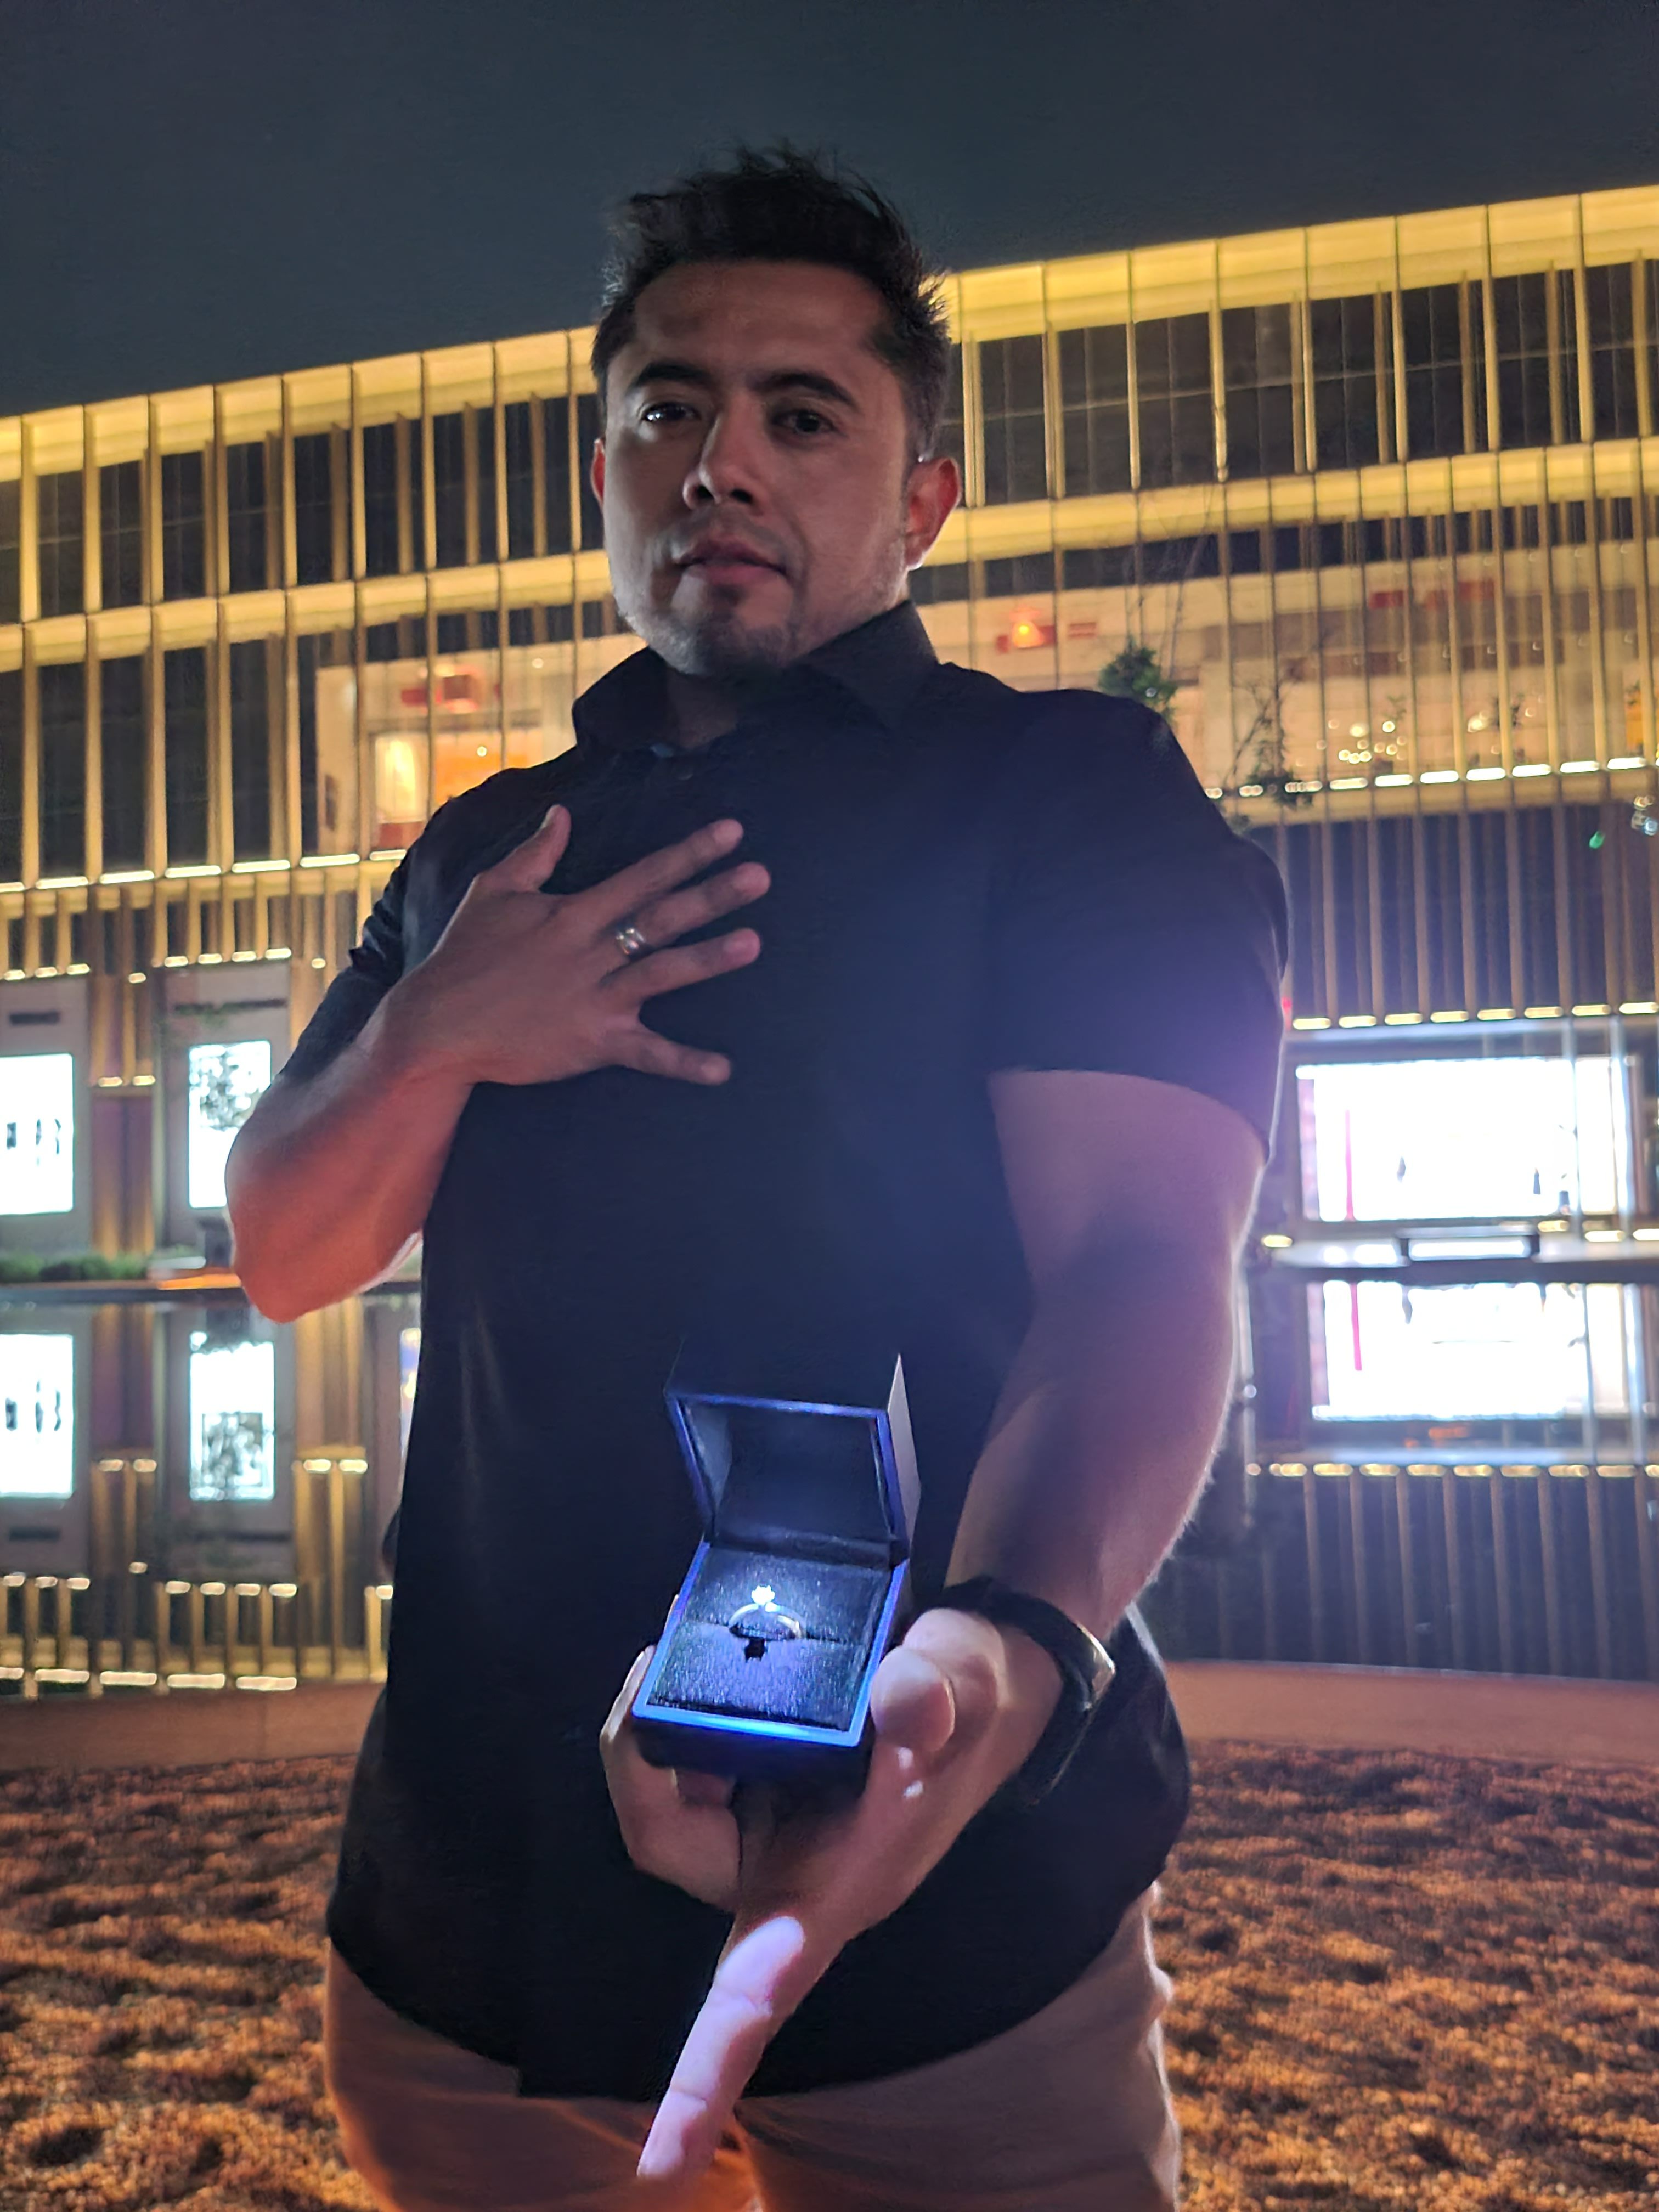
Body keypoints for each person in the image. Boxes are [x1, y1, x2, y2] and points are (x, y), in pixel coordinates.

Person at [227, 148, 1286, 2212]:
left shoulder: (1068, 795)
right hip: (470, 1901)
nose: (723, 463)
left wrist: (1007, 1648)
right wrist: (438, 1031)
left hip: (949, 1886)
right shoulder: (484, 850)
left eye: (805, 417)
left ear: (923, 498)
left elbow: (1148, 1264)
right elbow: (283, 1247)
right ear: (603, 468)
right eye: (671, 411)